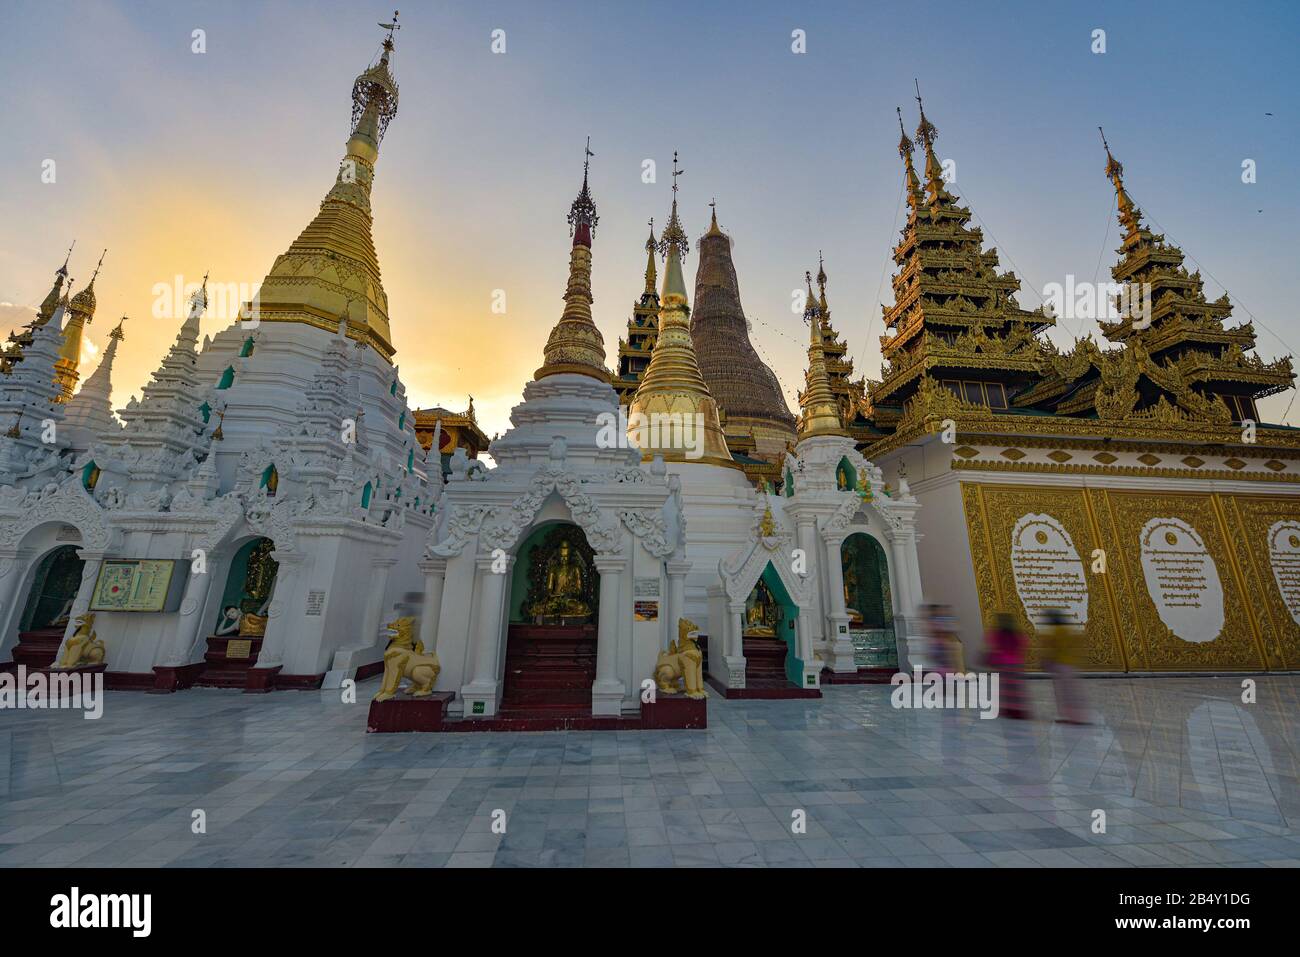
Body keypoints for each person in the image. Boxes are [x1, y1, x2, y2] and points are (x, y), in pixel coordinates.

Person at [1039, 607, 1091, 724]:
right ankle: (1080, 715)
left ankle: (1068, 715)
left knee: (1064, 691)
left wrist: (1046, 661)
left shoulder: (1054, 632)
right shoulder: (1069, 630)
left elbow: (1052, 648)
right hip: (1071, 664)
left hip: (1060, 664)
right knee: (1073, 691)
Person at [985, 611, 1030, 719]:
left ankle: (1008, 710)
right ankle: (1018, 710)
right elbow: (1024, 642)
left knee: (1006, 689)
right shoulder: (1016, 633)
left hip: (1003, 664)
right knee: (1016, 688)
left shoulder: (997, 634)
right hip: (1016, 664)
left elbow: (990, 643)